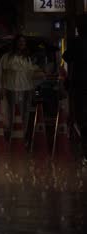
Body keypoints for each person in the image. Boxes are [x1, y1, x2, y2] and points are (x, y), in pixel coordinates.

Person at [0, 34, 44, 137]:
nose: (22, 43)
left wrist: (39, 75)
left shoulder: (27, 59)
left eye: (24, 42)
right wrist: (0, 88)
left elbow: (31, 74)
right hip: (10, 89)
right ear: (15, 43)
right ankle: (13, 135)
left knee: (25, 112)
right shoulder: (7, 57)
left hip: (26, 89)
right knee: (12, 112)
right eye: (20, 41)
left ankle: (22, 135)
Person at [63, 15, 87, 162]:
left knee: (80, 115)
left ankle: (84, 147)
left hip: (79, 85)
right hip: (80, 84)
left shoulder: (76, 42)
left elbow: (67, 59)